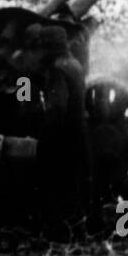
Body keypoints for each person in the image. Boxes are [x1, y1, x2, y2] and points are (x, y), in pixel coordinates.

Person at [34, 25, 93, 239]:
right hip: (79, 133)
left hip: (62, 137)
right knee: (74, 187)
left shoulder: (57, 70)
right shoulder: (74, 64)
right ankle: (78, 232)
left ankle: (58, 234)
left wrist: (44, 139)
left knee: (56, 185)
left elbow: (57, 107)